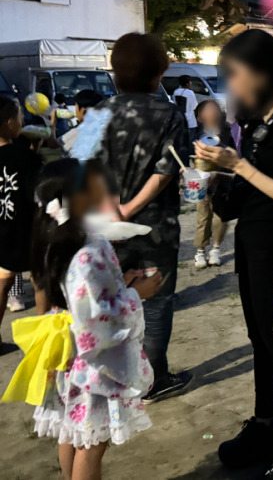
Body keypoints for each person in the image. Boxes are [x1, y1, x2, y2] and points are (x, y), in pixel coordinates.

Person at [195, 29, 273, 479]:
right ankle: (266, 424)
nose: (231, 86)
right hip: (251, 245)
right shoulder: (253, 124)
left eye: (235, 74)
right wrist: (216, 176)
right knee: (259, 341)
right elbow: (242, 195)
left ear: (262, 73)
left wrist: (239, 165)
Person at [22, 158, 161, 479]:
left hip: (69, 355)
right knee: (91, 445)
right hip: (92, 366)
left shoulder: (56, 240)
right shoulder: (87, 252)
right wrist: (136, 294)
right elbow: (94, 320)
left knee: (72, 432)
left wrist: (121, 282)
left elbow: (75, 299)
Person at [95, 33, 192, 404]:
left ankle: (113, 375)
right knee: (156, 302)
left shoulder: (100, 111)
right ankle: (153, 379)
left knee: (111, 298)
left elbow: (87, 165)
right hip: (156, 228)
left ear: (116, 72)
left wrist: (111, 207)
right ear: (159, 73)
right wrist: (131, 209)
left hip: (105, 226)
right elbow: (167, 170)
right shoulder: (169, 113)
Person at [0, 97, 41, 343]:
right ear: (8, 123)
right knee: (40, 279)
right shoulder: (23, 156)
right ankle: (44, 336)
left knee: (3, 281)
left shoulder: (23, 154)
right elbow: (37, 193)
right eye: (19, 118)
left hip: (2, 229)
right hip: (25, 228)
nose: (22, 122)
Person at [193, 99, 232, 269]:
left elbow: (234, 155)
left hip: (223, 180)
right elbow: (188, 156)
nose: (213, 113)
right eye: (208, 110)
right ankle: (200, 252)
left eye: (215, 110)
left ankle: (216, 249)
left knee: (221, 218)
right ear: (200, 117)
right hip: (202, 183)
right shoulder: (194, 135)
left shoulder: (227, 132)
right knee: (203, 217)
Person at [61, 89, 104, 154]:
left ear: (83, 111)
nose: (75, 112)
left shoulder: (77, 134)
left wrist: (52, 124)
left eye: (76, 108)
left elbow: (53, 144)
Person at [173, 74, 199, 142]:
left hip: (179, 118)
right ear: (188, 83)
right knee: (191, 139)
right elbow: (195, 106)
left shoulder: (176, 92)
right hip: (190, 120)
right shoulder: (190, 93)